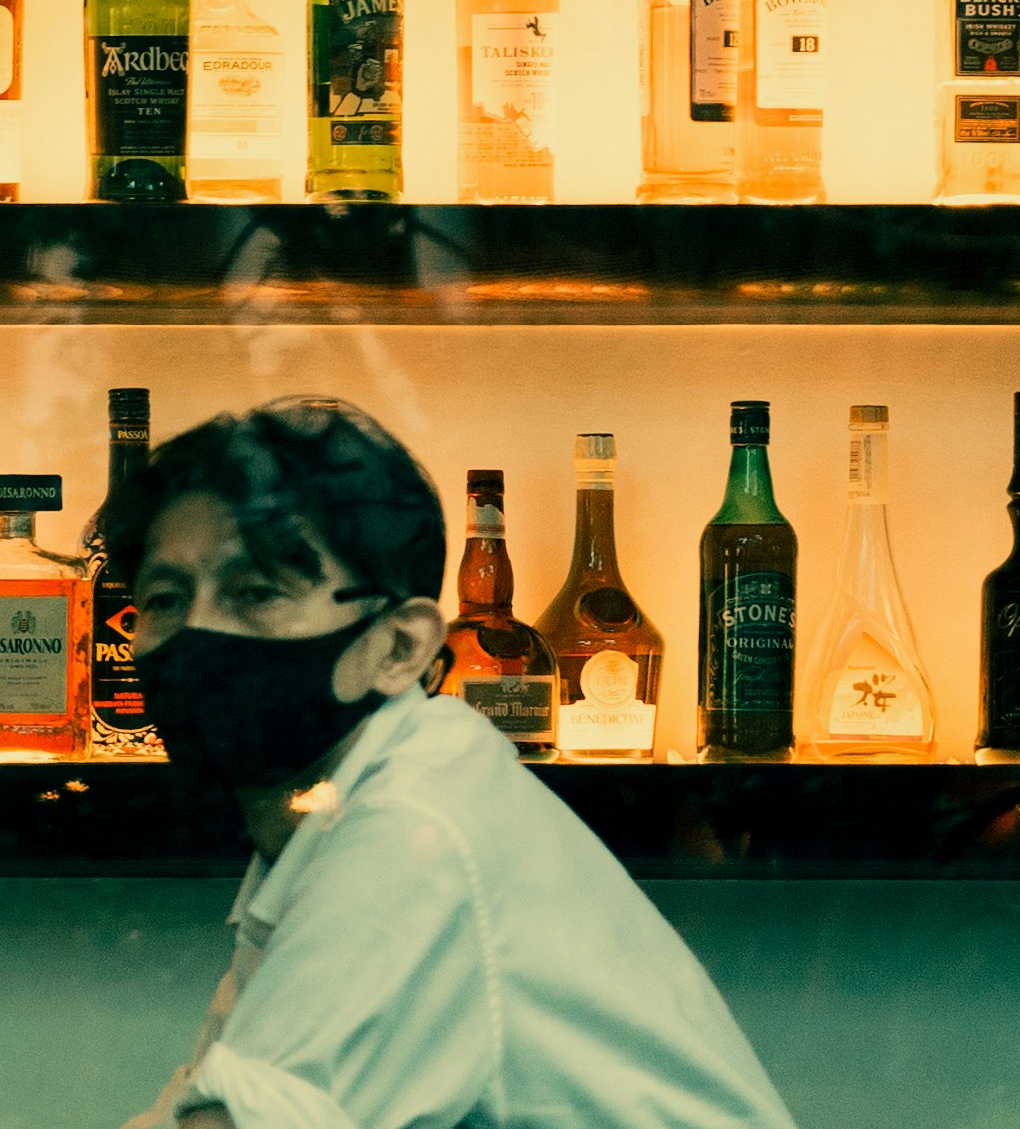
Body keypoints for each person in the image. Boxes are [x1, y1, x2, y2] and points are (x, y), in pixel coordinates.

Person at [125, 398, 799, 1129]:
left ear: (400, 647)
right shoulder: (332, 814)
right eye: (165, 599)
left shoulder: (415, 827)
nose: (196, 634)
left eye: (257, 593)